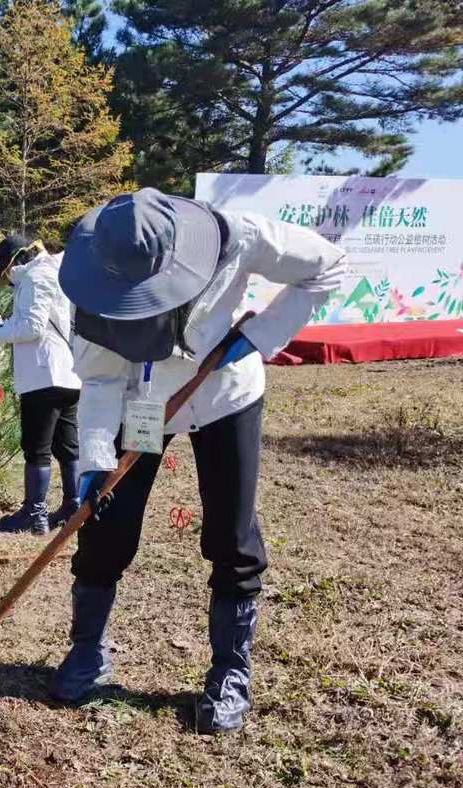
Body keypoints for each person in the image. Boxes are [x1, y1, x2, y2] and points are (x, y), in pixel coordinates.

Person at [53, 188, 346, 733]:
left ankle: (230, 671)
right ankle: (87, 650)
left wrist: (259, 335)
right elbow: (98, 378)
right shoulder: (91, 278)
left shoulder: (237, 237)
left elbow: (326, 266)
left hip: (222, 393)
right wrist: (95, 459)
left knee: (232, 536)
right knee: (105, 528)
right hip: (139, 406)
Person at [0, 235, 81, 535]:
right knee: (68, 447)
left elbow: (31, 326)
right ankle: (72, 505)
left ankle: (35, 512)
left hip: (44, 375)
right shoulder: (54, 272)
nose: (6, 275)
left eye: (6, 268)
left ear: (15, 261)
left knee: (37, 448)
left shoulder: (36, 275)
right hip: (65, 374)